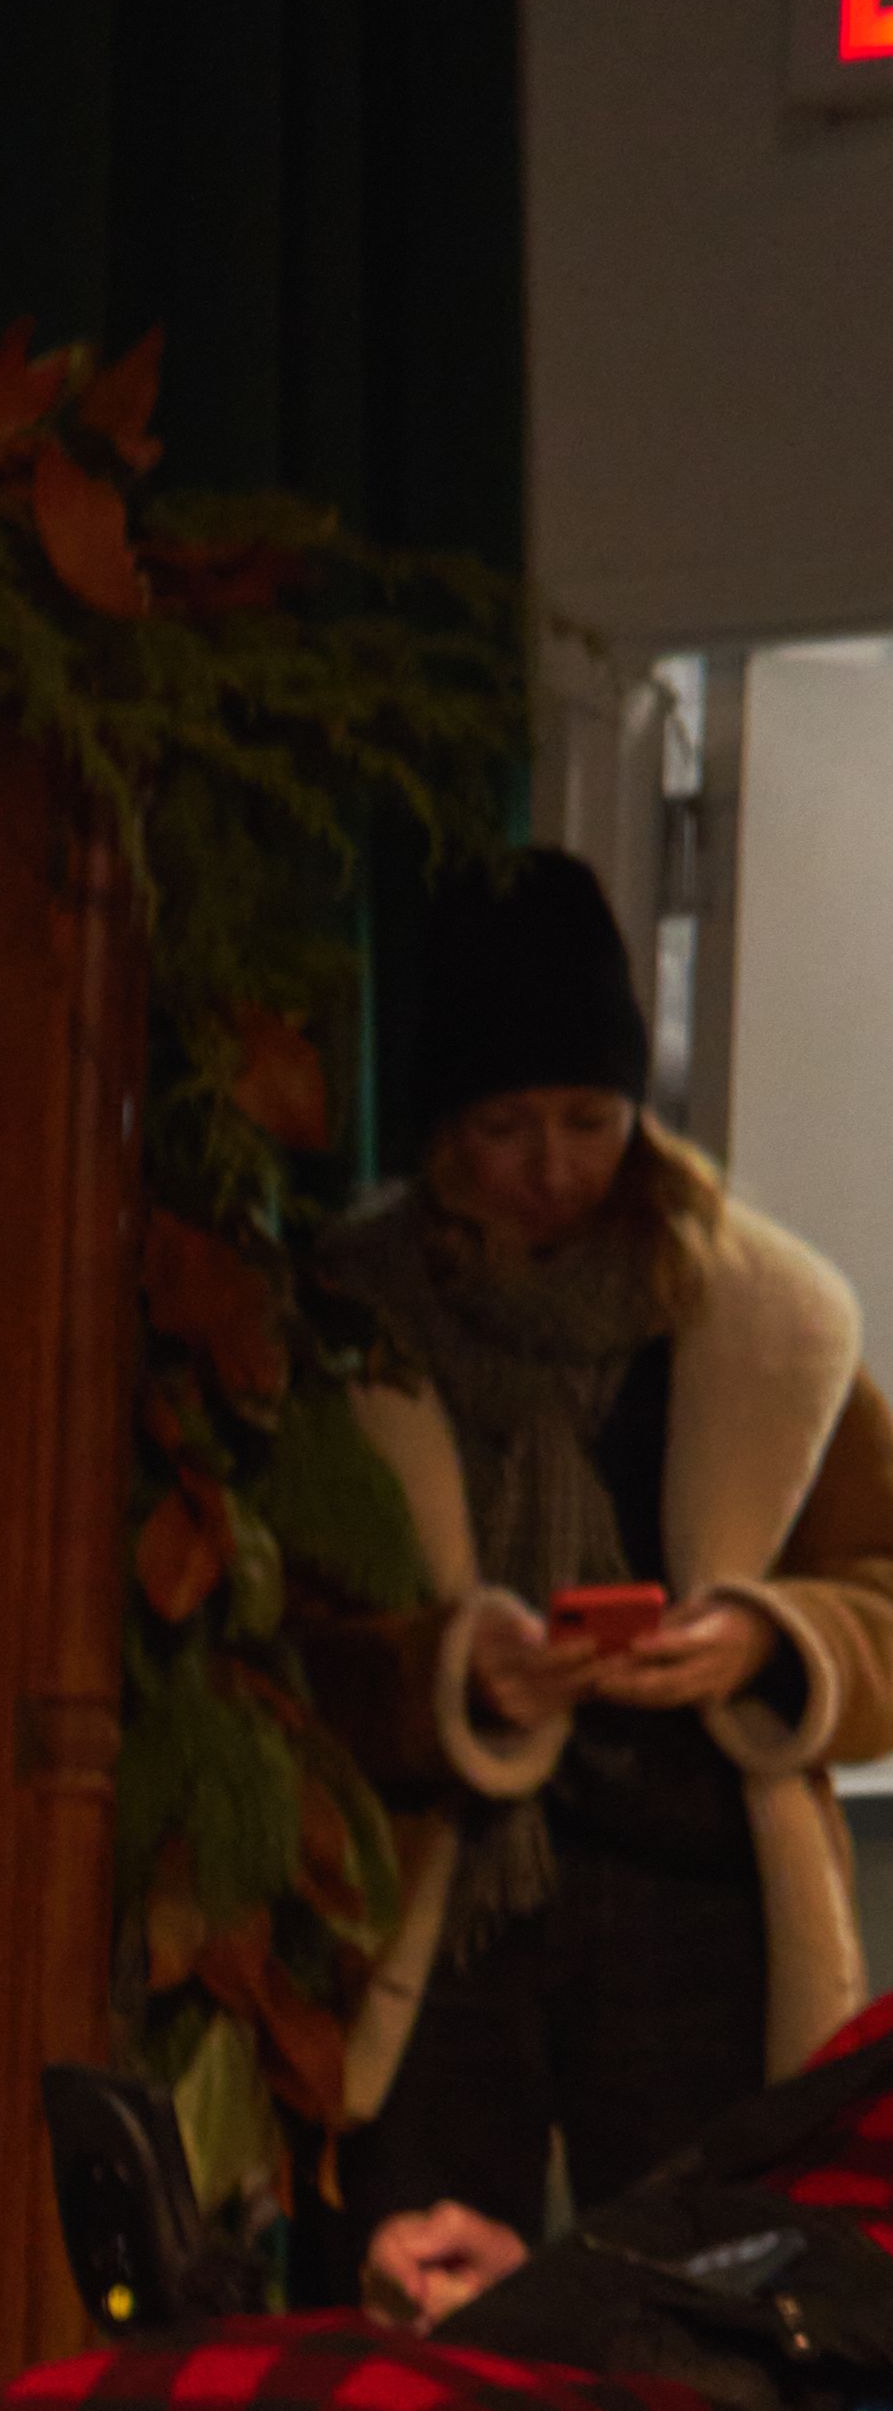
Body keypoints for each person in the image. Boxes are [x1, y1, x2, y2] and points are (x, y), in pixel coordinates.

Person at [320, 848, 893, 2332]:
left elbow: (887, 1599)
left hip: (698, 1898)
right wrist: (458, 1674)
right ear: (442, 1130)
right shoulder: (359, 1319)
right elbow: (283, 1642)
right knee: (423, 2314)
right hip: (449, 1906)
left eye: (589, 1117)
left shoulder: (762, 1318)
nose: (551, 1163)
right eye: (505, 1126)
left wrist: (764, 1639)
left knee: (700, 2305)